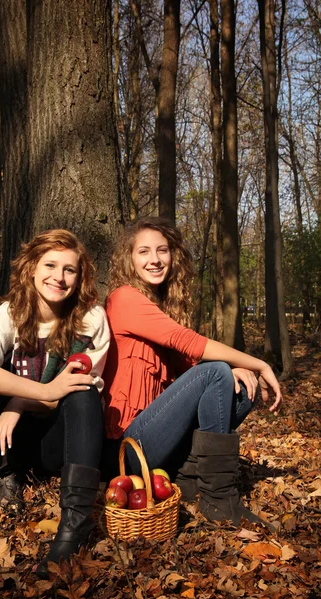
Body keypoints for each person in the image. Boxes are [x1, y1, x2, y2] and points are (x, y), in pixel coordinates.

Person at [0, 229, 110, 577]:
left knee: (81, 391)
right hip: (10, 443)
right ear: (32, 267)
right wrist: (41, 393)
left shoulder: (90, 320)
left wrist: (17, 403)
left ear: (80, 277)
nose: (59, 277)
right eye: (50, 265)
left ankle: (75, 524)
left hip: (60, 445)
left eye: (70, 270)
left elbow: (77, 387)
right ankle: (4, 475)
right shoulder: (9, 314)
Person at [102, 217, 282, 527]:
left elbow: (192, 371)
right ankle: (219, 498)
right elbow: (192, 346)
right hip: (127, 450)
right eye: (143, 251)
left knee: (241, 390)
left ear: (173, 256)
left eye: (162, 250)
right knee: (218, 373)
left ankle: (189, 479)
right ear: (129, 259)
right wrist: (258, 363)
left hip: (159, 447)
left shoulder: (160, 308)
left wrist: (238, 371)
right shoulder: (124, 299)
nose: (155, 259)